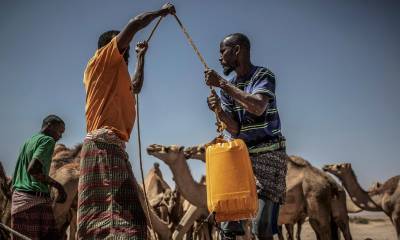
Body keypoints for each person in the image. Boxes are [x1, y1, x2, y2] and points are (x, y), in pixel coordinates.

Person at [77, 3, 176, 239]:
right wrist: (161, 12)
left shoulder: (116, 76)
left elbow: (137, 86)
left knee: (116, 217)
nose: (127, 50)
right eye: (124, 45)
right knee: (126, 221)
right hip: (104, 145)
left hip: (111, 147)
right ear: (108, 46)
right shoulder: (101, 60)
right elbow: (134, 23)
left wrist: (141, 57)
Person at [205, 33, 288, 240]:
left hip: (269, 157)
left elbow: (258, 106)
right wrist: (219, 112)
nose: (220, 57)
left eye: (223, 51)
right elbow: (234, 129)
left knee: (262, 228)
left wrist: (223, 84)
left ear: (237, 50)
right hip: (241, 160)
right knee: (227, 226)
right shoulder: (228, 87)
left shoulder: (262, 76)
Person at [11, 115, 67, 240]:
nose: (60, 136)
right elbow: (33, 170)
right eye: (59, 131)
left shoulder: (28, 142)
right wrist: (59, 187)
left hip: (18, 202)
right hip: (34, 203)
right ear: (49, 126)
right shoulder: (48, 141)